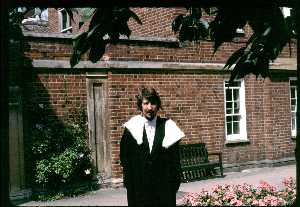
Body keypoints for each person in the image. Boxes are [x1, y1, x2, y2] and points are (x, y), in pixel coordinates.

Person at [120, 87, 185, 206]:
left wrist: (172, 186)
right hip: (139, 192)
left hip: (163, 192)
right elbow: (125, 159)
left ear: (158, 105)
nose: (149, 108)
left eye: (153, 103)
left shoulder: (168, 127)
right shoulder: (131, 129)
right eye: (146, 103)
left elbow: (175, 161)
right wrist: (130, 185)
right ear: (140, 105)